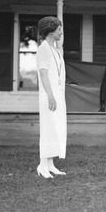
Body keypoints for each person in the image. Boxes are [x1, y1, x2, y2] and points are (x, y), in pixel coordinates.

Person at [36, 16, 67, 178]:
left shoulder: (55, 50)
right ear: (50, 31)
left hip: (57, 96)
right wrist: (50, 96)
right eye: (59, 29)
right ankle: (42, 165)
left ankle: (50, 164)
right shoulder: (43, 48)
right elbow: (43, 73)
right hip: (49, 96)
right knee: (48, 128)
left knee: (56, 128)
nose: (61, 32)